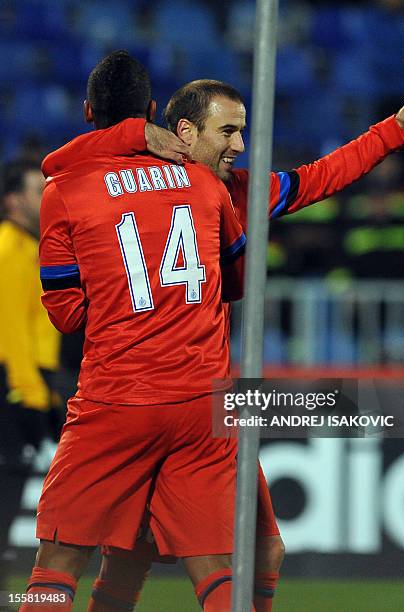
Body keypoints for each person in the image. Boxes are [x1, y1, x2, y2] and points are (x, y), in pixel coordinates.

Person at [56, 81, 404, 612]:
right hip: (168, 398)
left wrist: (392, 132)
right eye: (229, 131)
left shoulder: (223, 187)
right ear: (184, 133)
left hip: (174, 400)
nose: (240, 144)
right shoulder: (186, 190)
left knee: (253, 550)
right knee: (157, 557)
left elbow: (317, 178)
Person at [20, 51, 247, 612]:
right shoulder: (201, 181)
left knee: (57, 567)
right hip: (201, 403)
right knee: (216, 571)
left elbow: (67, 315)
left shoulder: (63, 191)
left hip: (116, 399)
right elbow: (236, 281)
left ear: (86, 111)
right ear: (153, 111)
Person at [0, 161, 62, 587]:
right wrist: (30, 395)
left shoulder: (29, 247)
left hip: (28, 387)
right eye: (39, 191)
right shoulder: (8, 249)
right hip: (13, 392)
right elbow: (9, 335)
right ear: (13, 200)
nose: (47, 199)